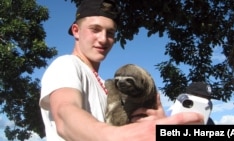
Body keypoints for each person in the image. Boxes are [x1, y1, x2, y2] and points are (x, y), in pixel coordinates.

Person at [39, 0, 204, 140]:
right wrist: (116, 136)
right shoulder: (66, 64)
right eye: (95, 29)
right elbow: (64, 113)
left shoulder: (107, 85)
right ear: (76, 31)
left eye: (110, 32)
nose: (103, 39)